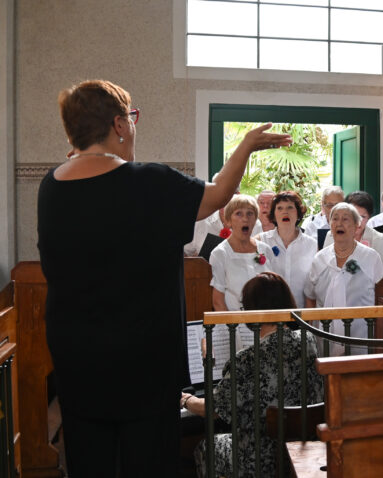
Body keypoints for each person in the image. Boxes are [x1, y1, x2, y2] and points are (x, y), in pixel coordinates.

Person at [36, 79, 291, 475]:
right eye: (132, 119)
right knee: (148, 462)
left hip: (77, 358)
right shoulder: (149, 181)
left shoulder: (50, 187)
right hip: (143, 361)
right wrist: (246, 144)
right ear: (120, 125)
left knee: (90, 460)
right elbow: (220, 192)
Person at [184, 272, 323, 477]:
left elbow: (213, 409)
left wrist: (186, 399)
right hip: (303, 450)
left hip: (260, 461)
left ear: (252, 310)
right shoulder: (309, 341)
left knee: (208, 446)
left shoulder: (248, 359)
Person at [304, 203, 383, 347]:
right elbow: (310, 297)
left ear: (356, 226)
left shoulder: (370, 257)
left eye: (345, 219)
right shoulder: (320, 258)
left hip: (362, 339)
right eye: (335, 219)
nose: (339, 223)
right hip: (325, 338)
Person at [257, 191, 318, 307]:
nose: (285, 212)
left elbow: (314, 285)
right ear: (273, 215)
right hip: (269, 314)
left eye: (290, 207)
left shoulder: (312, 245)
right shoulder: (261, 241)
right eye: (279, 208)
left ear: (298, 214)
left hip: (301, 314)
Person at [323, 191, 383, 269]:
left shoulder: (377, 238)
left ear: (369, 217)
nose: (358, 222)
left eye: (363, 217)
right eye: (354, 216)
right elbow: (324, 267)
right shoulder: (331, 235)